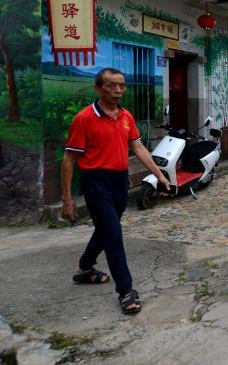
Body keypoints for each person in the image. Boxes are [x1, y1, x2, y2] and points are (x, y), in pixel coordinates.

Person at [61, 68, 170, 315]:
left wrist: (159, 174)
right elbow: (68, 160)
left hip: (120, 181)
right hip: (95, 182)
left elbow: (138, 147)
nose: (119, 90)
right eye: (112, 86)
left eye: (122, 85)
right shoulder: (84, 118)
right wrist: (67, 199)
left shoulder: (125, 117)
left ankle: (85, 269)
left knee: (105, 228)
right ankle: (125, 290)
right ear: (98, 88)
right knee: (113, 232)